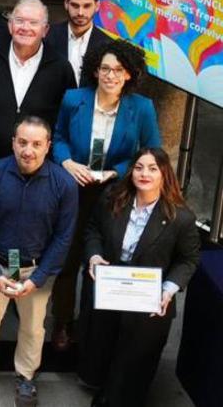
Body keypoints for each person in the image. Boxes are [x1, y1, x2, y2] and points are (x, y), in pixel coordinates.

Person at [50, 39, 160, 350]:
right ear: (95, 71)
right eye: (105, 69)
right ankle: (62, 321)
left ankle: (94, 325)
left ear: (129, 74)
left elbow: (152, 151)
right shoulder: (74, 99)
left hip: (115, 192)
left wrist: (117, 172)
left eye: (119, 70)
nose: (111, 75)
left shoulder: (142, 108)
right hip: (75, 188)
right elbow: (58, 137)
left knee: (103, 257)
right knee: (69, 257)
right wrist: (67, 162)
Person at [0, 117, 77, 407]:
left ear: (48, 146)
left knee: (33, 328)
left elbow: (64, 237)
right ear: (13, 142)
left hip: (37, 269)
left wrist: (37, 279)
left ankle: (26, 377)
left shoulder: (64, 184)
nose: (28, 150)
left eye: (37, 144)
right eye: (23, 142)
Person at [78, 148, 200, 407]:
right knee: (102, 345)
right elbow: (93, 230)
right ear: (131, 171)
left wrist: (168, 289)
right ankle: (104, 389)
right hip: (110, 287)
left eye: (153, 169)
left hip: (148, 296)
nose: (145, 174)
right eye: (139, 167)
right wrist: (94, 256)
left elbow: (188, 260)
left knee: (133, 361)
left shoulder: (181, 217)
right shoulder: (112, 197)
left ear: (165, 174)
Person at [0, 0, 75, 166]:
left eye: (33, 23)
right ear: (10, 26)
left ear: (45, 30)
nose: (25, 28)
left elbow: (67, 121)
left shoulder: (61, 68)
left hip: (38, 167)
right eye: (19, 21)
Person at [44, 0, 108, 87]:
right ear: (66, 3)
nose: (80, 13)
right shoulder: (47, 36)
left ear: (97, 6)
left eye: (87, 6)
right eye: (75, 5)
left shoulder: (107, 45)